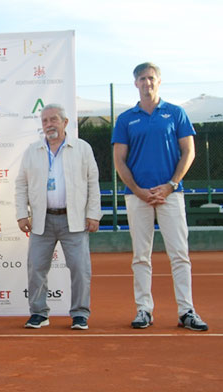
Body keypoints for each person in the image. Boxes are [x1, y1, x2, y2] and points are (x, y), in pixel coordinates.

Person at [112, 62, 208, 332]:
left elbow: (188, 152)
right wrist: (139, 191)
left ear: (159, 81)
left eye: (151, 78)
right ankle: (144, 310)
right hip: (137, 197)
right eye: (142, 79)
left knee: (179, 254)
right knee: (141, 256)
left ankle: (186, 310)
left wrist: (170, 185)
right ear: (135, 83)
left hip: (171, 195)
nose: (147, 83)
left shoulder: (176, 113)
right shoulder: (125, 118)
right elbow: (120, 160)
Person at [15, 104, 101, 330]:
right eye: (44, 121)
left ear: (65, 122)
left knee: (80, 269)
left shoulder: (82, 148)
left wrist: (93, 214)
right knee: (36, 268)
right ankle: (38, 313)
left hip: (74, 219)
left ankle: (80, 314)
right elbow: (21, 184)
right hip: (41, 220)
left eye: (53, 119)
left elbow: (93, 182)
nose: (49, 124)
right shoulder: (32, 151)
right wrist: (22, 214)